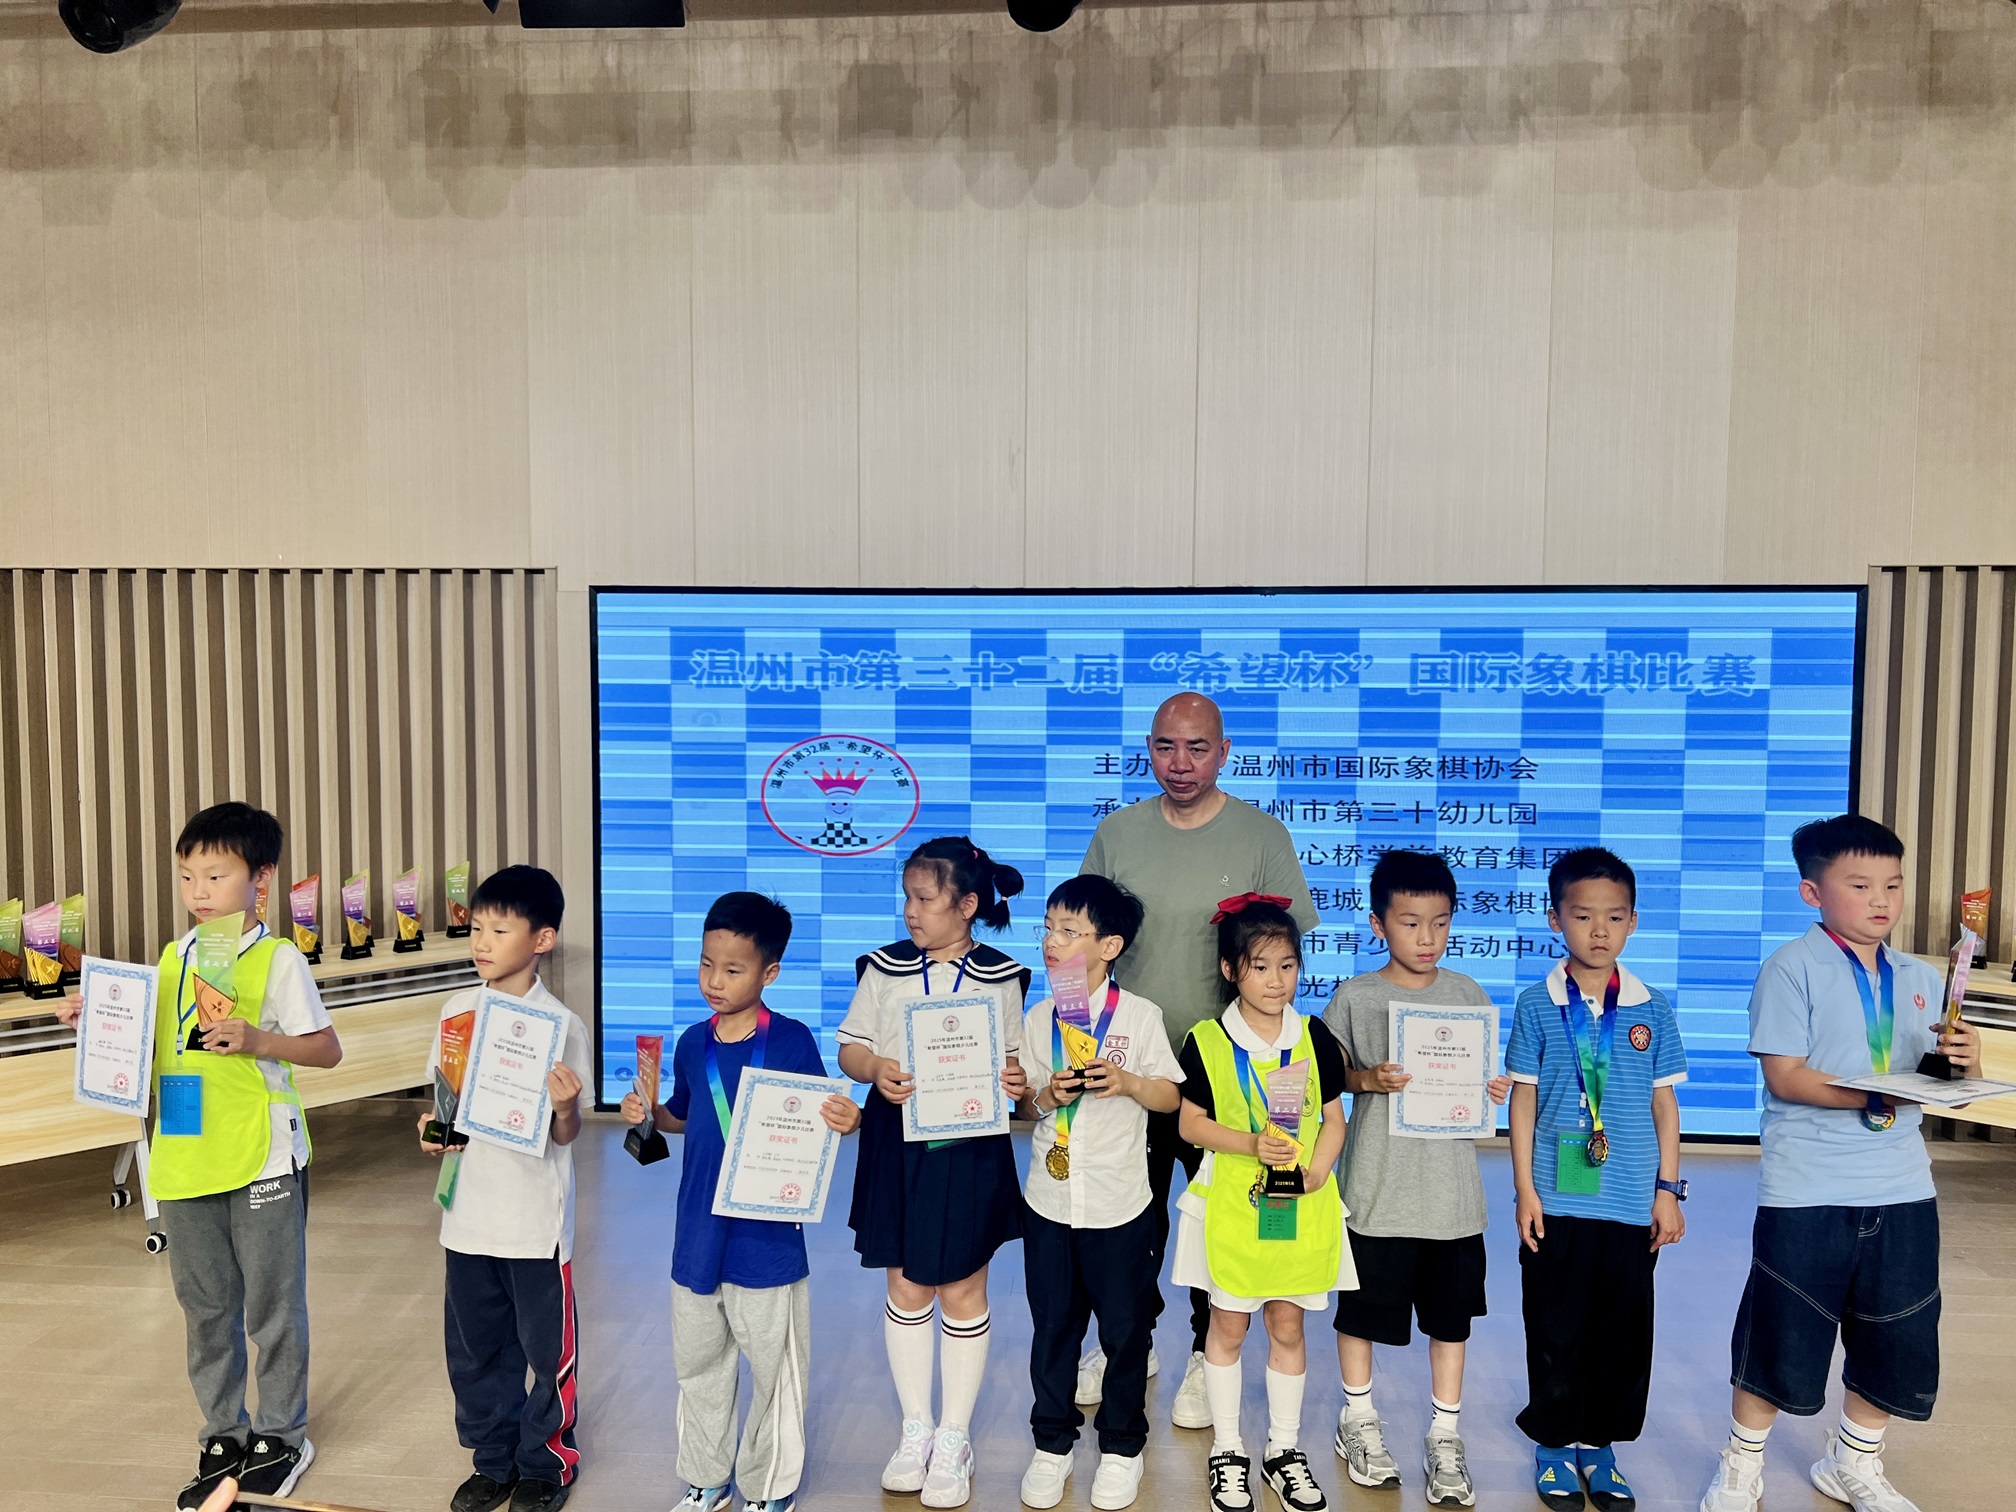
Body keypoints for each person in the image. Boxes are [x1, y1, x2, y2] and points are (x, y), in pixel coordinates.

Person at [58, 802, 343, 1509]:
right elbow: (157, 1041)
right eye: (188, 877)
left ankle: (282, 1434)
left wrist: (258, 1040)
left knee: (273, 1306)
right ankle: (223, 1434)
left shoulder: (278, 959)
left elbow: (326, 1050)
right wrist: (99, 1016)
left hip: (262, 1157)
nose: (199, 892)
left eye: (216, 875)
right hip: (184, 1156)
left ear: (261, 878)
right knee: (206, 1308)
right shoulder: (174, 956)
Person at [1698, 815, 1982, 1512]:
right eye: (1859, 885)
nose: (1881, 899)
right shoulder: (1790, 968)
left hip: (1903, 1185)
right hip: (1808, 1186)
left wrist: (1963, 1061)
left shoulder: (1922, 977)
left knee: (1896, 1331)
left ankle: (1854, 1462)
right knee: (1781, 1330)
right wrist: (1878, 1093)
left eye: (1893, 884)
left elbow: (1937, 1077)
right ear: (1812, 892)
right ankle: (1741, 1466)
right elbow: (1786, 1076)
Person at [1081, 691, 1316, 1427]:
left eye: (1197, 748)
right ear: (1148, 749)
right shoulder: (1117, 833)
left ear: (1224, 751)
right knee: (1129, 1218)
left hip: (1227, 1071)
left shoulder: (1261, 835)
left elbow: (1282, 947)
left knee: (1218, 1219)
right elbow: (1081, 938)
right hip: (1135, 1066)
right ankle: (1129, 1342)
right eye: (1165, 746)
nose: (1179, 763)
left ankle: (1200, 1350)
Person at [622, 891, 861, 1512]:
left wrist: (848, 1119)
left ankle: (768, 1486)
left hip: (767, 1239)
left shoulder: (791, 1042)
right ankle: (707, 1478)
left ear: (769, 973)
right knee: (699, 1363)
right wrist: (649, 1113)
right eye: (706, 964)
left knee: (776, 1371)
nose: (715, 981)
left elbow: (821, 1118)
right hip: (697, 1233)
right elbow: (682, 1116)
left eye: (733, 969)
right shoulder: (691, 1043)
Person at [836, 837, 1031, 1509]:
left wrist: (1015, 1081)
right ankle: (915, 1428)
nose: (911, 912)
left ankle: (955, 1438)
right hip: (897, 1138)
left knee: (963, 1286)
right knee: (906, 1281)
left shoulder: (1004, 977)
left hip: (971, 1141)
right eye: (908, 898)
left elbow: (1016, 1066)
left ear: (967, 905)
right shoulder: (882, 968)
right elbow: (852, 1047)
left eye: (924, 899)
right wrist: (875, 1069)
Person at [1323, 850, 1511, 1508]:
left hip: (1451, 1198)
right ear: (1379, 925)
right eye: (1410, 923)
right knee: (1362, 1312)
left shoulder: (1467, 994)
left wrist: (1490, 1089)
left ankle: (1445, 1434)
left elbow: (1479, 1079)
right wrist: (1367, 1079)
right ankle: (1357, 1418)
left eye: (1440, 922)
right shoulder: (1356, 996)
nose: (1427, 938)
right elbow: (1326, 1077)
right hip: (1377, 1192)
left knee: (1451, 1321)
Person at [1507, 847, 1687, 1511]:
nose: (1599, 930)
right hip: (1557, 1197)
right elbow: (1523, 1099)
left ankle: (1600, 1447)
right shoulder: (1537, 1004)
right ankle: (1554, 1445)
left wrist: (1668, 1191)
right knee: (1556, 1328)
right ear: (1556, 918)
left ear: (1633, 921)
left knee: (1621, 1333)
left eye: (1614, 916)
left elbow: (1665, 1104)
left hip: (1632, 1200)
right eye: (1583, 916)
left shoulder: (1651, 1007)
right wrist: (1525, 1189)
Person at [417, 865, 591, 1512]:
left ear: (542, 939)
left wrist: (566, 1108)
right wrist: (431, 1131)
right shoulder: (455, 1011)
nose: (482, 942)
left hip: (532, 1224)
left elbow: (567, 1133)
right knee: (476, 1350)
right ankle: (492, 1461)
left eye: (500, 930)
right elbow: (443, 1106)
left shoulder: (561, 1025)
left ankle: (546, 1464)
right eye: (477, 929)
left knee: (547, 1353)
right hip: (466, 1216)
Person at [1174, 895, 1353, 1512]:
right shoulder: (1206, 1041)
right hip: (1232, 1204)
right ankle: (1227, 1450)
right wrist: (1252, 1143)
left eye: (1288, 966)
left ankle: (1283, 1450)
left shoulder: (1315, 1036)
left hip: (1301, 1204)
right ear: (1231, 970)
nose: (1277, 981)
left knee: (1288, 1324)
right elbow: (1190, 1124)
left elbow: (1333, 1120)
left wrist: (1318, 1172)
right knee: (1227, 1325)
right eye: (1260, 967)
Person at [1015, 875, 1184, 1512]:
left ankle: (1121, 1446)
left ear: (1110, 946)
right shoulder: (1040, 1017)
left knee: (1124, 1331)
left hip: (1119, 1203)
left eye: (1069, 931)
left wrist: (1129, 1081)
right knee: (1053, 1327)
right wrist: (1045, 1095)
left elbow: (1169, 1096)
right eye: (1048, 928)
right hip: (1050, 1199)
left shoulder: (1138, 1016)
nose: (1052, 942)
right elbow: (1029, 1104)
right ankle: (1052, 1443)